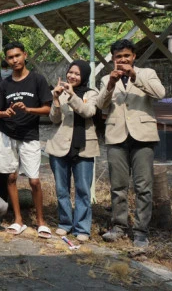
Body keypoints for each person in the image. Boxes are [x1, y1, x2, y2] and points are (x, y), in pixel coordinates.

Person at [97, 39, 165, 248]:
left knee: (143, 186)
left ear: (134, 56)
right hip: (116, 135)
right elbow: (100, 104)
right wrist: (109, 85)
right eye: (119, 57)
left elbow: (160, 94)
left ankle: (141, 231)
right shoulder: (107, 78)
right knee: (118, 185)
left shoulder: (146, 73)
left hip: (143, 135)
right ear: (113, 59)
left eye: (127, 56)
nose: (123, 60)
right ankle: (119, 226)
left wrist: (134, 77)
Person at [0, 42, 52, 238]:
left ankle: (41, 221)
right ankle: (18, 220)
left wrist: (28, 110)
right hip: (8, 134)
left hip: (29, 136)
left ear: (25, 55)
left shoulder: (37, 80)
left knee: (34, 180)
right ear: (7, 61)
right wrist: (4, 113)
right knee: (11, 177)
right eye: (10, 57)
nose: (15, 60)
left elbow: (47, 109)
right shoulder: (5, 84)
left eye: (17, 55)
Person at [47, 61, 100, 243]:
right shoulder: (60, 93)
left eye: (77, 74)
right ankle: (65, 223)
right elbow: (54, 119)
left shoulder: (91, 93)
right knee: (62, 189)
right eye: (70, 72)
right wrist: (55, 99)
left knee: (83, 190)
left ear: (84, 76)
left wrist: (71, 95)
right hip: (59, 146)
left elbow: (88, 112)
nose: (72, 76)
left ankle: (82, 227)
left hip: (83, 147)